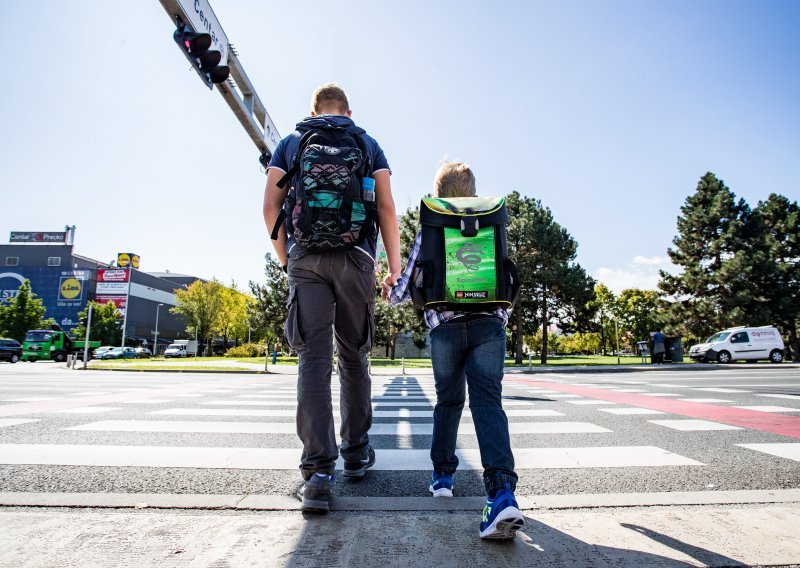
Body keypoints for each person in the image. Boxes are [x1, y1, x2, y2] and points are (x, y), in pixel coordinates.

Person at [263, 84, 402, 513]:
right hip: (357, 259)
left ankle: (319, 473)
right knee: (355, 357)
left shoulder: (291, 143)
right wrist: (393, 269)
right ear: (348, 111)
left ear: (314, 110)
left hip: (306, 259)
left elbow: (271, 206)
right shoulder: (366, 143)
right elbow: (386, 209)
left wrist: (288, 258)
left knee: (313, 359)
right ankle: (356, 453)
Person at [385, 161, 524, 540]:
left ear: (439, 193)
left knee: (448, 403)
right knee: (488, 404)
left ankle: (443, 477)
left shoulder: (432, 227)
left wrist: (388, 286)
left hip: (445, 330)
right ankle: (501, 494)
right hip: (489, 328)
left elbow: (402, 289)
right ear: (473, 190)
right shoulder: (493, 223)